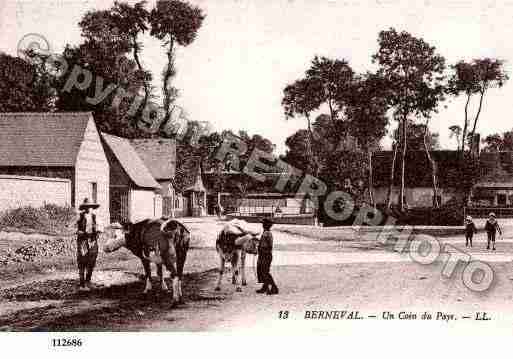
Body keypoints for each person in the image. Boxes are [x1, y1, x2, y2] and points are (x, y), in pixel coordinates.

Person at [76, 198, 100, 291]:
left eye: (90, 207)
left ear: (92, 207)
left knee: (92, 260)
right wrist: (80, 232)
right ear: (84, 208)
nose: (88, 208)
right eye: (87, 207)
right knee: (82, 261)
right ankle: (82, 284)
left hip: (92, 241)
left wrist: (97, 233)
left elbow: (99, 228)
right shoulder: (80, 216)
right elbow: (74, 228)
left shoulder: (95, 217)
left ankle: (88, 281)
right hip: (83, 241)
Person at [256, 218, 278, 295]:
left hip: (265, 255)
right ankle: (265, 287)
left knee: (265, 272)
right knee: (263, 271)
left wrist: (260, 248)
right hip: (265, 254)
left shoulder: (267, 234)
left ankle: (274, 287)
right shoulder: (267, 233)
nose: (262, 225)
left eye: (263, 224)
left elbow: (267, 246)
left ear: (265, 225)